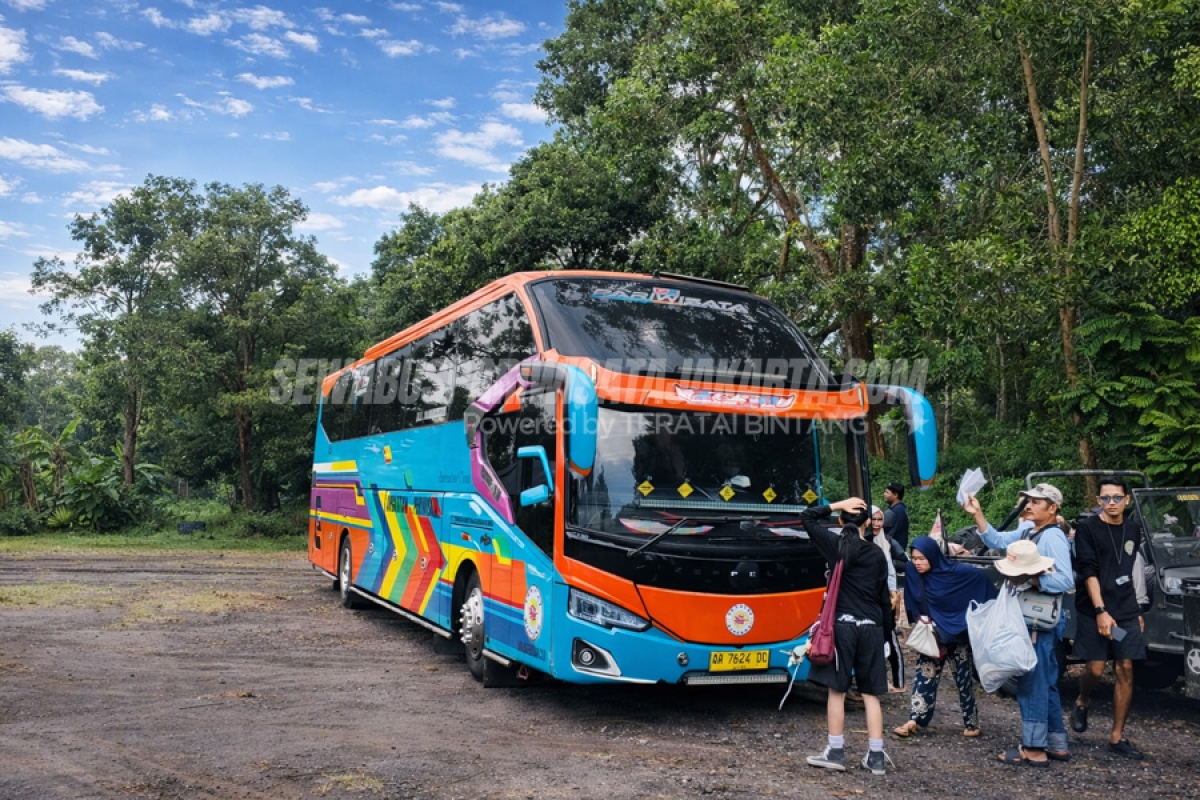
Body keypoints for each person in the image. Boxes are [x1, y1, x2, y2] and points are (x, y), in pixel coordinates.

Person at [962, 483, 1074, 767]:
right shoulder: (1028, 531)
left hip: (1037, 621)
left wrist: (1030, 578)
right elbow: (998, 540)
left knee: (1031, 682)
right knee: (1045, 682)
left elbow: (1065, 580)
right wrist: (978, 514)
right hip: (1033, 619)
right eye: (1029, 500)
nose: (1029, 505)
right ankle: (1057, 744)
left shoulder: (1052, 537)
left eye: (1037, 502)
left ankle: (1034, 748)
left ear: (1052, 508)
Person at [801, 497, 895, 776]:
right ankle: (876, 756)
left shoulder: (836, 547)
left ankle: (836, 751)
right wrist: (887, 635)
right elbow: (883, 599)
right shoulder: (878, 555)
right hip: (871, 628)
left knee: (837, 691)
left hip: (842, 627)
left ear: (841, 522)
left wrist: (837, 504)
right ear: (868, 523)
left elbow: (806, 517)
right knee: (871, 694)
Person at [1069, 477, 1147, 760]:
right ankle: (1083, 699)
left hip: (1124, 611)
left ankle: (1117, 736)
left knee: (1125, 666)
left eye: (1116, 498)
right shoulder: (1088, 529)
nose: (1111, 503)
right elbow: (1088, 571)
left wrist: (1136, 609)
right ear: (1099, 501)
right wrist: (1101, 612)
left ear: (1126, 500)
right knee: (1097, 669)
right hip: (1094, 611)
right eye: (1105, 498)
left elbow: (1131, 569)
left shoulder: (1133, 529)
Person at [893, 536, 998, 739]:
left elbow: (981, 580)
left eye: (922, 558)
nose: (917, 563)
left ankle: (971, 723)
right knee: (924, 676)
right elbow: (913, 600)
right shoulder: (914, 573)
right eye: (914, 558)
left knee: (964, 679)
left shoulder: (954, 573)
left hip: (957, 634)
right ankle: (914, 719)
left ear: (933, 556)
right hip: (932, 634)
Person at [870, 505, 905, 692]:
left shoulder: (885, 542)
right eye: (872, 519)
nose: (876, 524)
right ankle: (878, 682)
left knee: (889, 636)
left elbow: (892, 569)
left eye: (879, 520)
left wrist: (893, 593)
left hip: (883, 598)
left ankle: (899, 682)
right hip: (866, 598)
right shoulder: (862, 539)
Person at [883, 482, 911, 550]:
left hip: (894, 550)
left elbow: (891, 533)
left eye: (887, 492)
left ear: (895, 495)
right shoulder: (898, 508)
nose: (884, 494)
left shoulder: (897, 511)